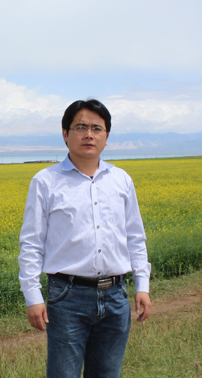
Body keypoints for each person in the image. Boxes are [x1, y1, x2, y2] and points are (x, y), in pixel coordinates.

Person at [18, 99, 152, 378]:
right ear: (65, 134)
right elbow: (31, 243)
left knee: (107, 374)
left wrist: (142, 285)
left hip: (116, 295)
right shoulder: (45, 181)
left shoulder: (121, 180)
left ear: (106, 137)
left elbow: (135, 237)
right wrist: (32, 296)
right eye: (80, 127)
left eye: (96, 128)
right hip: (67, 296)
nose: (88, 134)